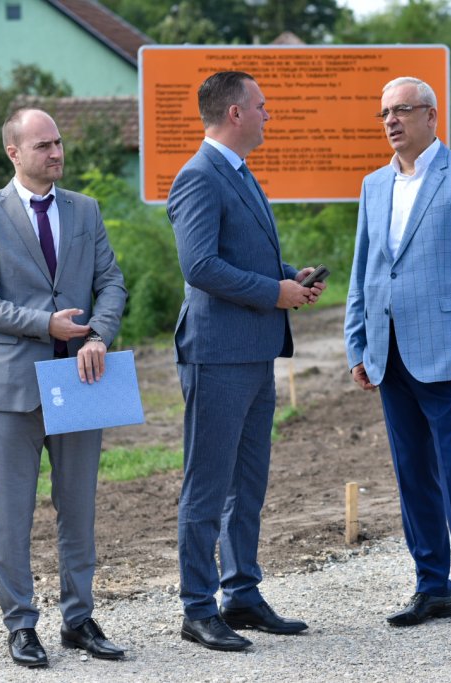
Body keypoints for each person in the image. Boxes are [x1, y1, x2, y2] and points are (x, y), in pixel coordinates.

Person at [0, 108, 128, 668]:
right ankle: (21, 625)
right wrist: (43, 324)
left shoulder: (86, 209)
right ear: (14, 153)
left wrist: (98, 334)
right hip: (12, 389)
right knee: (13, 516)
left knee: (78, 510)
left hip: (81, 379)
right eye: (43, 146)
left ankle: (79, 620)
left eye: (58, 143)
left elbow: (111, 282)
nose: (56, 153)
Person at [167, 71, 326, 652]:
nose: (268, 114)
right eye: (261, 105)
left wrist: (289, 278)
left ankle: (241, 593)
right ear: (234, 113)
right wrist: (272, 292)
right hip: (216, 355)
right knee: (207, 486)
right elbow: (200, 266)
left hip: (254, 352)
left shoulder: (238, 171)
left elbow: (241, 255)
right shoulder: (198, 176)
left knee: (247, 484)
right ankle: (197, 608)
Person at [343, 76, 451, 647]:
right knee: (412, 476)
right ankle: (432, 587)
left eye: (402, 110)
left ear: (431, 116)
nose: (391, 121)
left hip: (448, 357)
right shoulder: (373, 184)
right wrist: (357, 344)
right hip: (388, 353)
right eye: (384, 112)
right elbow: (365, 269)